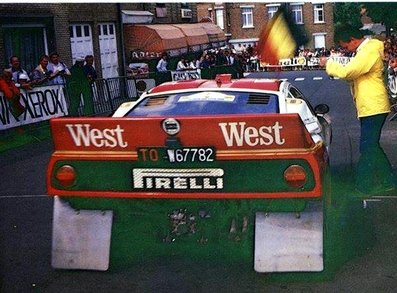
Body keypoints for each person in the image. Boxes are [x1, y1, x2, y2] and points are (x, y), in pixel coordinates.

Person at [320, 24, 396, 196]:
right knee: (370, 146)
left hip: (373, 105)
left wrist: (329, 63)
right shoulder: (366, 50)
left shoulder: (368, 50)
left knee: (367, 146)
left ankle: (364, 186)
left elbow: (349, 71)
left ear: (353, 40)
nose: (344, 49)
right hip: (371, 106)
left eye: (345, 45)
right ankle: (388, 180)